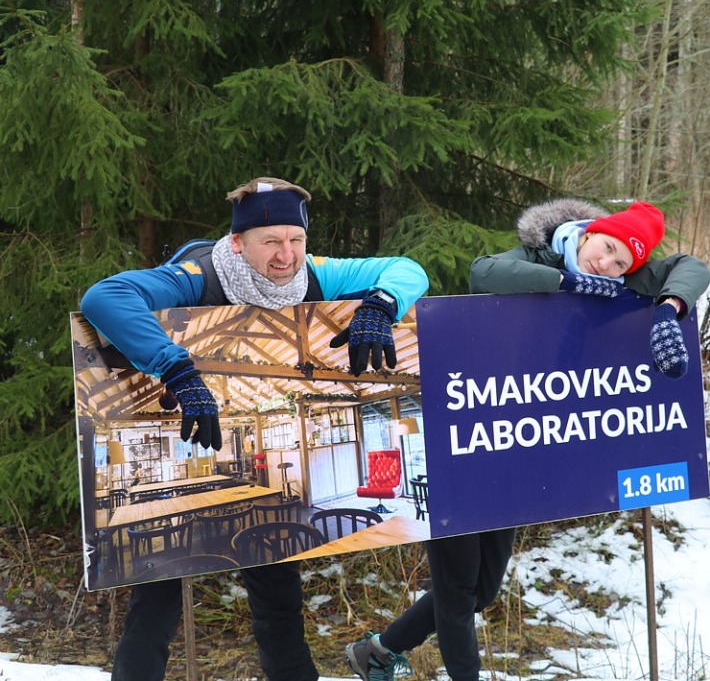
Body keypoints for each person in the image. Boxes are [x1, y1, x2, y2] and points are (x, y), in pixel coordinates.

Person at [345, 198, 710, 681]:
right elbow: (483, 273)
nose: (607, 264)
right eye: (605, 248)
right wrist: (566, 283)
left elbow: (692, 266)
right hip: (461, 435)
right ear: (587, 234)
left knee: (482, 592)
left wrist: (670, 307)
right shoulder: (537, 255)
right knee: (456, 591)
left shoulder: (625, 280)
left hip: (514, 449)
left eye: (622, 263)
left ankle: (378, 649)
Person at [80, 176, 429, 681]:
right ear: (239, 242)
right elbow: (105, 297)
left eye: (296, 239)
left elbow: (408, 269)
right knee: (154, 608)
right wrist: (174, 367)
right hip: (181, 442)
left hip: (252, 467)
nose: (286, 255)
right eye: (271, 241)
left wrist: (380, 303)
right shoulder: (198, 274)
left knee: (280, 607)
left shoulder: (315, 273)